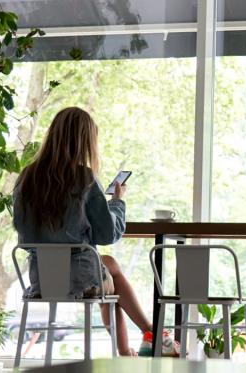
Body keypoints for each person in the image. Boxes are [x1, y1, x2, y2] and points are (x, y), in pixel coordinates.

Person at [13, 107, 160, 356]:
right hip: (81, 280)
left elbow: (22, 230)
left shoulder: (26, 177)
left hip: (42, 280)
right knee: (112, 281)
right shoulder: (84, 178)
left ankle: (139, 340)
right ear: (85, 141)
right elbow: (107, 235)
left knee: (109, 266)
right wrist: (116, 202)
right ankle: (147, 336)